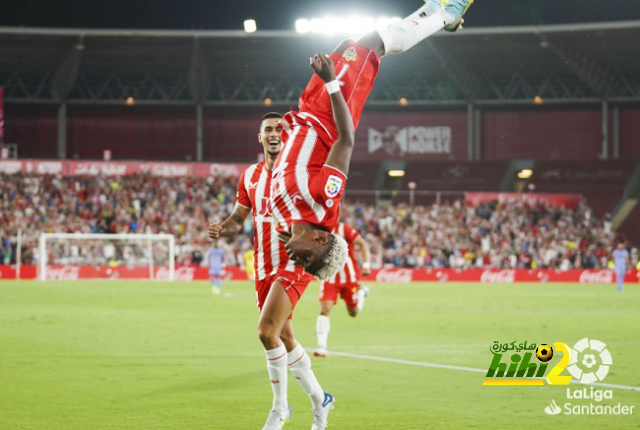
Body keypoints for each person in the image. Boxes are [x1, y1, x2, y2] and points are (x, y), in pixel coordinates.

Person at [260, 1, 474, 428]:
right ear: (321, 241)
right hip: (332, 111)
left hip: (306, 109)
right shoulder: (324, 198)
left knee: (349, 42)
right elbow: (348, 140)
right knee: (372, 41)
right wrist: (333, 83)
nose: (295, 257)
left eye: (297, 260)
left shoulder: (289, 214)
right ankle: (443, 14)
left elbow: (284, 216)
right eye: (304, 257)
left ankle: (297, 405)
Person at [208, 113, 325, 430]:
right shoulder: (250, 176)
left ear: (288, 138)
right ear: (259, 137)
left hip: (295, 261)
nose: (275, 133)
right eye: (269, 130)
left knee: (265, 332)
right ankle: (320, 401)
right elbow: (238, 218)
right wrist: (223, 228)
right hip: (264, 266)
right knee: (284, 335)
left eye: (280, 129)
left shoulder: (301, 175)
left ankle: (280, 409)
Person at [315, 222, 372, 357]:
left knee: (353, 312)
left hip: (349, 277)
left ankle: (361, 293)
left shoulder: (343, 228)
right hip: (329, 277)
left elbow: (362, 244)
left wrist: (366, 264)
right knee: (325, 309)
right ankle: (321, 347)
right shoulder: (317, 230)